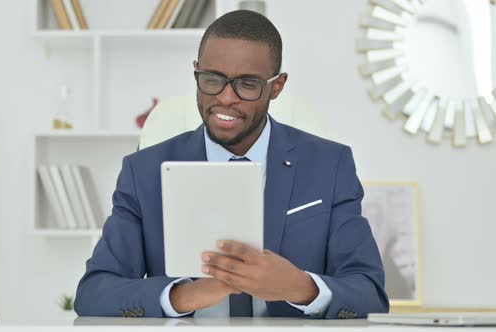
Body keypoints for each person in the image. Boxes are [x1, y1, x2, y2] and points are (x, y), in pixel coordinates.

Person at [74, 10, 389, 319]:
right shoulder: (143, 171)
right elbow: (94, 293)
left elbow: (369, 292)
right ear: (196, 72)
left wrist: (300, 287)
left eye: (247, 84)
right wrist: (187, 294)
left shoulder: (330, 165)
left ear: (276, 87)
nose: (225, 98)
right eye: (212, 79)